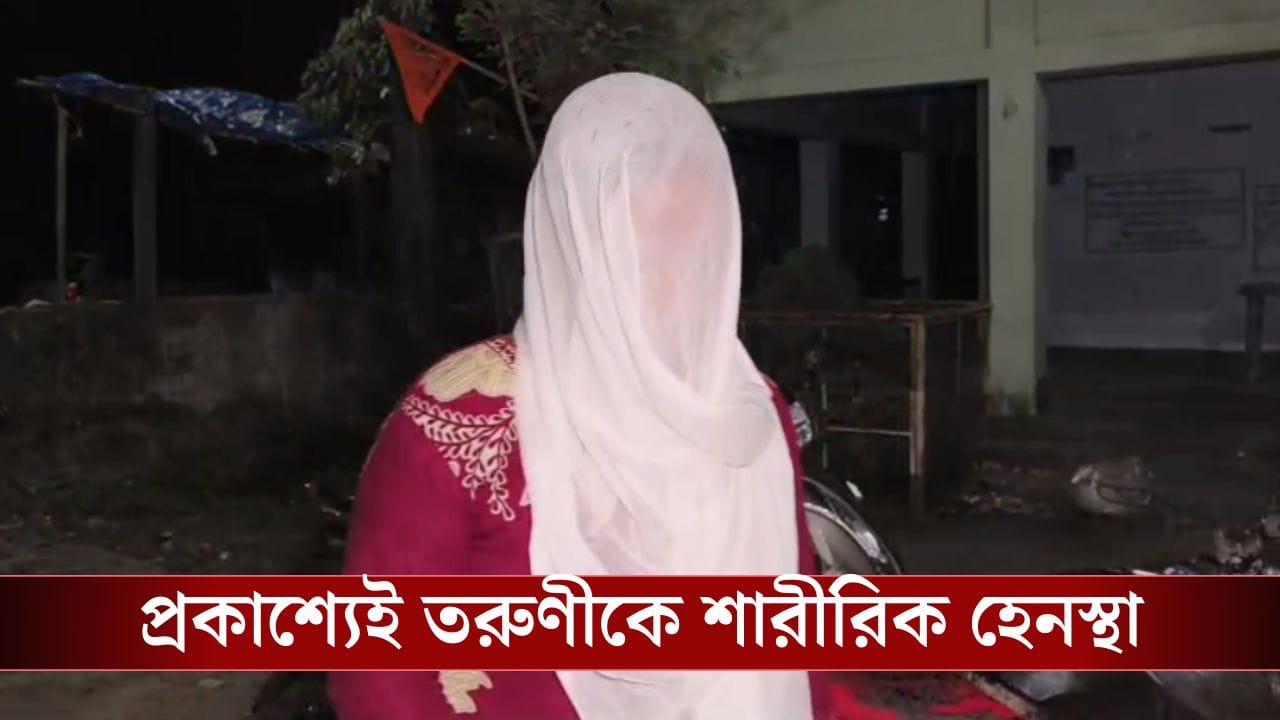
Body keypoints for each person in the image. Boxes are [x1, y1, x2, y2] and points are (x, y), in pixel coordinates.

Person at [328, 72, 831, 720]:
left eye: (695, 255)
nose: (674, 287)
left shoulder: (750, 414)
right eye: (641, 260)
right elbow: (378, 676)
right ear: (570, 247)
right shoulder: (460, 420)